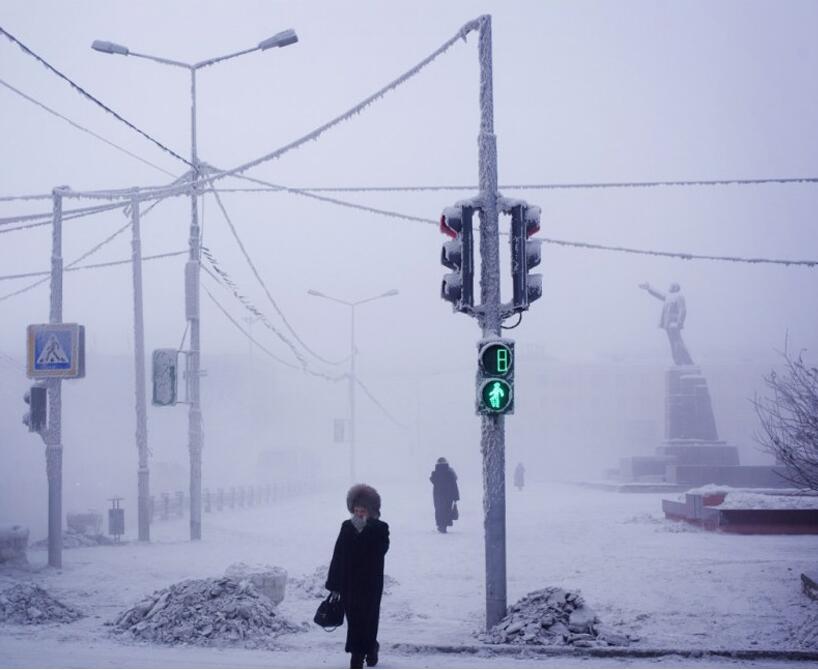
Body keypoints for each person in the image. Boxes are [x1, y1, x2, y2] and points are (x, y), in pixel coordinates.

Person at [326, 484, 390, 669]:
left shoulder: (380, 528)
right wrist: (334, 584)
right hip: (349, 584)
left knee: (369, 619)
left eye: (363, 510)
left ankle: (371, 648)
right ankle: (356, 658)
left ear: (371, 510)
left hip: (371, 585)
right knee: (354, 621)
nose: (359, 513)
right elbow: (338, 555)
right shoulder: (346, 527)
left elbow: (381, 550)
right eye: (356, 510)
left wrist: (368, 528)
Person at [638, 281, 694, 366]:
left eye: (671, 286)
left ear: (675, 288)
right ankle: (678, 361)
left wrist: (679, 322)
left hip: (674, 324)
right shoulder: (668, 296)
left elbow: (683, 310)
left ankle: (688, 361)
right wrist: (649, 288)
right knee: (673, 344)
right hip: (668, 324)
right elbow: (659, 294)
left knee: (678, 343)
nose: (669, 287)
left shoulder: (679, 296)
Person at [429, 457, 459, 533]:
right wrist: (456, 497)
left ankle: (441, 526)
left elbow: (432, 479)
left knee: (439, 510)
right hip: (448, 495)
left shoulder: (435, 473)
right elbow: (454, 485)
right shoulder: (450, 473)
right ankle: (444, 526)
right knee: (447, 510)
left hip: (438, 495)